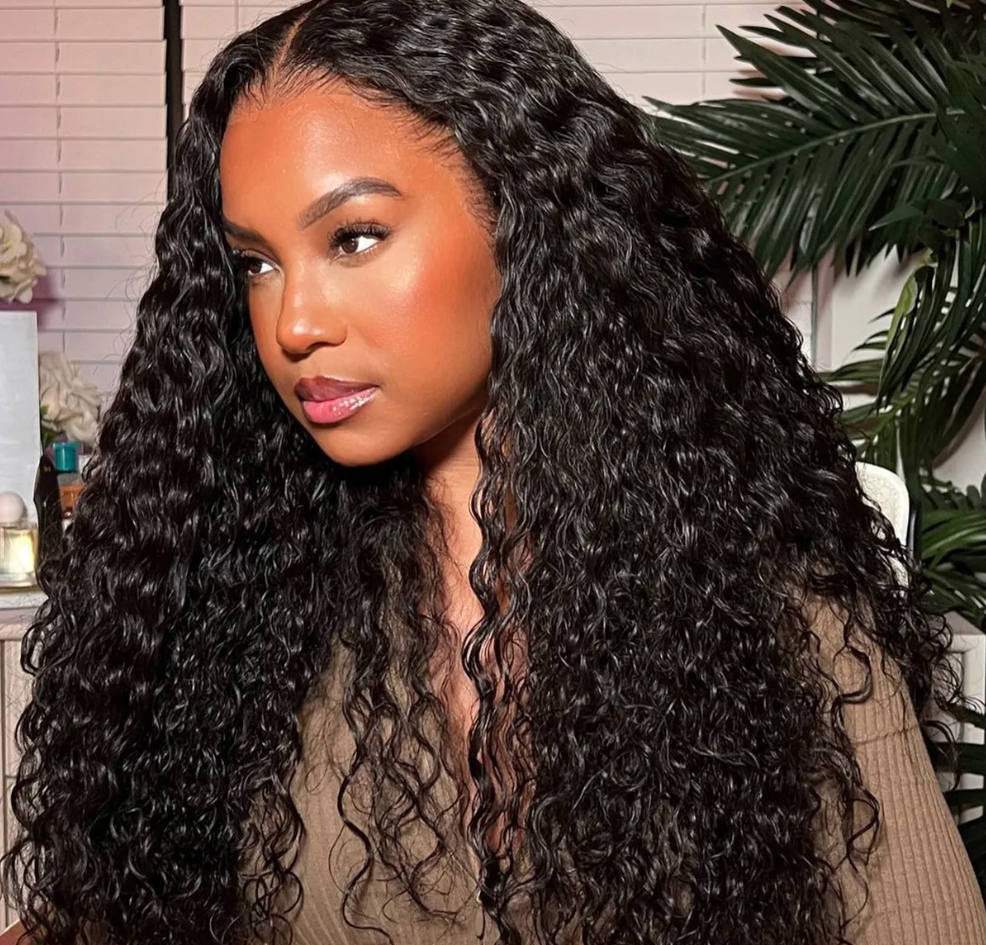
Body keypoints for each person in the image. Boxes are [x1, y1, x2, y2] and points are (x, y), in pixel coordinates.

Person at [3, 1, 985, 943]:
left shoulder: (752, 606)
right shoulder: (232, 600)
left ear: (524, 223)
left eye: (353, 237)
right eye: (256, 263)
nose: (293, 322)